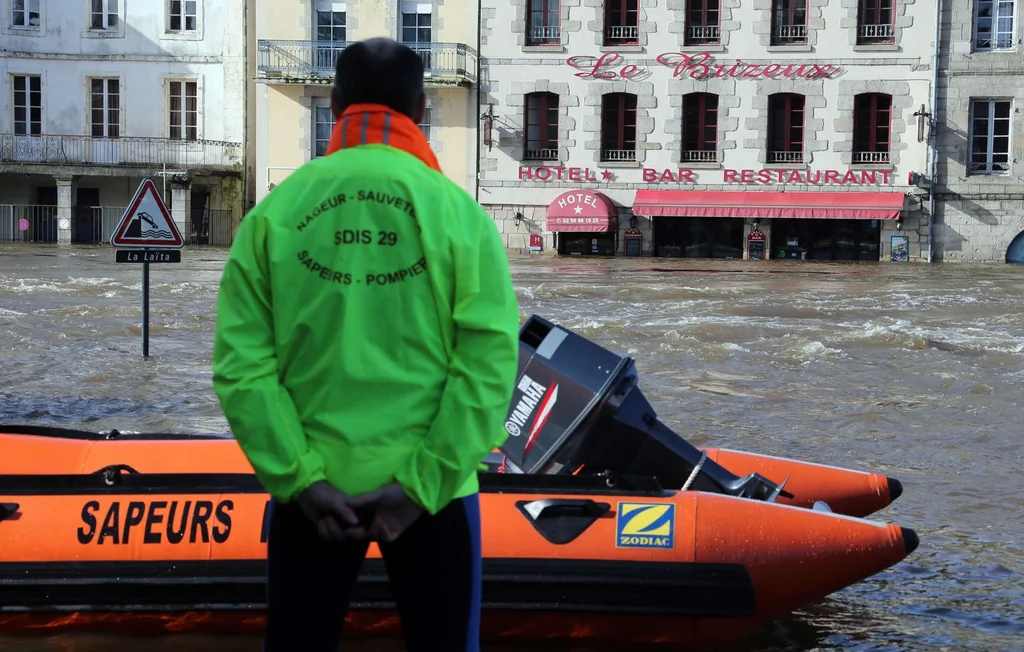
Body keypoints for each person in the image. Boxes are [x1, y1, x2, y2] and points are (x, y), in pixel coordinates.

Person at [211, 37, 521, 652]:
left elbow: (243, 368)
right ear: (423, 108)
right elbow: (486, 365)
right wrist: (420, 486)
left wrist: (301, 481)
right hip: (432, 495)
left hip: (314, 497)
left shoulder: (273, 215)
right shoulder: (460, 216)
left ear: (333, 102)